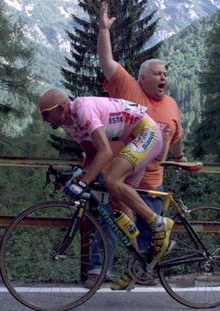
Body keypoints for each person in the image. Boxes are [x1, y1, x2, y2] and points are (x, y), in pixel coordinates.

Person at [92, 0, 188, 290]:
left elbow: (176, 139)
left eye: (166, 74)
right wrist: (104, 29)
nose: (164, 78)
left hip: (152, 183)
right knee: (107, 223)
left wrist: (182, 159)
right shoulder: (128, 87)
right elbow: (106, 62)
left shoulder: (171, 104)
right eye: (158, 73)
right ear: (143, 77)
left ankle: (140, 273)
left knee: (148, 234)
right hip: (121, 176)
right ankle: (97, 270)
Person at [39, 88, 175, 283]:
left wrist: (83, 182)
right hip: (133, 139)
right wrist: (76, 177)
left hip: (146, 132)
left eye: (46, 113)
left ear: (61, 108)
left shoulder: (83, 110)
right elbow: (92, 156)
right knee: (119, 202)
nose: (44, 119)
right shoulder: (70, 123)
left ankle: (160, 224)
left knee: (112, 180)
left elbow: (105, 152)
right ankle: (141, 262)